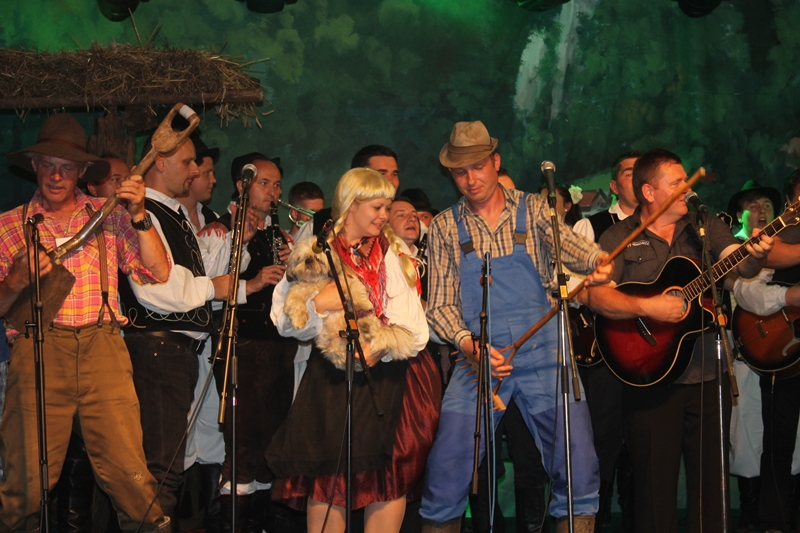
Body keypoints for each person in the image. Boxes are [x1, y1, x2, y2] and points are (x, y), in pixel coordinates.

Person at [421, 120, 612, 533]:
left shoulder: (534, 208)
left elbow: (572, 248)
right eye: (460, 172)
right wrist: (469, 344)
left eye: (478, 167)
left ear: (495, 162)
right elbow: (439, 306)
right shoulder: (443, 227)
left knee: (576, 460)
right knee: (448, 462)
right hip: (478, 358)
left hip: (544, 353)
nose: (470, 179)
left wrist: (597, 261)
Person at [584, 149, 773, 533]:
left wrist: (756, 255)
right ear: (649, 191)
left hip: (708, 375)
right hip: (648, 376)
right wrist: (647, 306)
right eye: (677, 183)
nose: (687, 188)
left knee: (712, 488)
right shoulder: (619, 236)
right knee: (654, 491)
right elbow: (595, 297)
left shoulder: (704, 226)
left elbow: (740, 263)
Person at [0, 113, 171, 532]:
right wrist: (15, 280)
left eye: (67, 167)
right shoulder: (8, 226)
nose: (56, 176)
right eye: (48, 164)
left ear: (81, 171)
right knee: (25, 484)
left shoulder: (109, 214)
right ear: (34, 165)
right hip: (37, 352)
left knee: (131, 478)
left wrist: (139, 213)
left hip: (103, 350)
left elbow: (159, 271)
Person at [267, 168, 441, 533]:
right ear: (351, 205)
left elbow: (415, 326)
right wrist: (319, 305)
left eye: (387, 207)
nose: (384, 215)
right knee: (329, 476)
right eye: (377, 207)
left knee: (385, 477)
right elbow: (284, 321)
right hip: (333, 376)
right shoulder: (317, 248)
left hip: (388, 374)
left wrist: (378, 348)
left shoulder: (392, 251)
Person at [118, 133, 253, 531]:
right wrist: (213, 287)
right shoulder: (144, 214)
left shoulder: (172, 212)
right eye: (188, 162)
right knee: (158, 466)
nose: (195, 170)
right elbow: (155, 289)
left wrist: (235, 270)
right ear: (159, 162)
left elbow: (195, 281)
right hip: (157, 350)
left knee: (170, 464)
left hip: (176, 354)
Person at [213, 152, 298, 533]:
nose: (274, 192)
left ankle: (263, 521)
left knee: (271, 442)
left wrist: (294, 267)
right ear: (242, 186)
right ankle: (235, 522)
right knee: (243, 441)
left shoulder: (278, 235)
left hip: (279, 347)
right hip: (243, 347)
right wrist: (256, 280)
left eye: (277, 184)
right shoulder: (221, 230)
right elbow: (209, 287)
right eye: (265, 183)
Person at [570, 151, 640, 532]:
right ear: (614, 185)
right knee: (604, 437)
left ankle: (636, 516)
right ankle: (596, 517)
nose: (637, 177)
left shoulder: (666, 228)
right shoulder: (592, 225)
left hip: (652, 351)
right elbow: (572, 285)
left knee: (642, 438)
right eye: (629, 173)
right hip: (603, 352)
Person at [733, 169, 800, 533]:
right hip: (782, 349)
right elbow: (746, 292)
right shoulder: (773, 241)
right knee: (777, 440)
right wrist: (789, 296)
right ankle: (773, 520)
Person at [723, 179, 782, 532]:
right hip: (743, 360)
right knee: (746, 439)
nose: (761, 210)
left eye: (767, 204)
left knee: (787, 439)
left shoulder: (787, 248)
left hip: (785, 355)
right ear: (739, 214)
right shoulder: (730, 253)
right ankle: (750, 512)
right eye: (753, 205)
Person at [304, 145, 401, 238]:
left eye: (394, 174)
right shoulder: (317, 224)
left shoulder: (403, 223)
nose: (390, 181)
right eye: (381, 174)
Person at [572, 152, 640, 242]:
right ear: (614, 187)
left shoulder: (658, 221)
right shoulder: (590, 227)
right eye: (629, 174)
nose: (638, 179)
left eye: (642, 173)